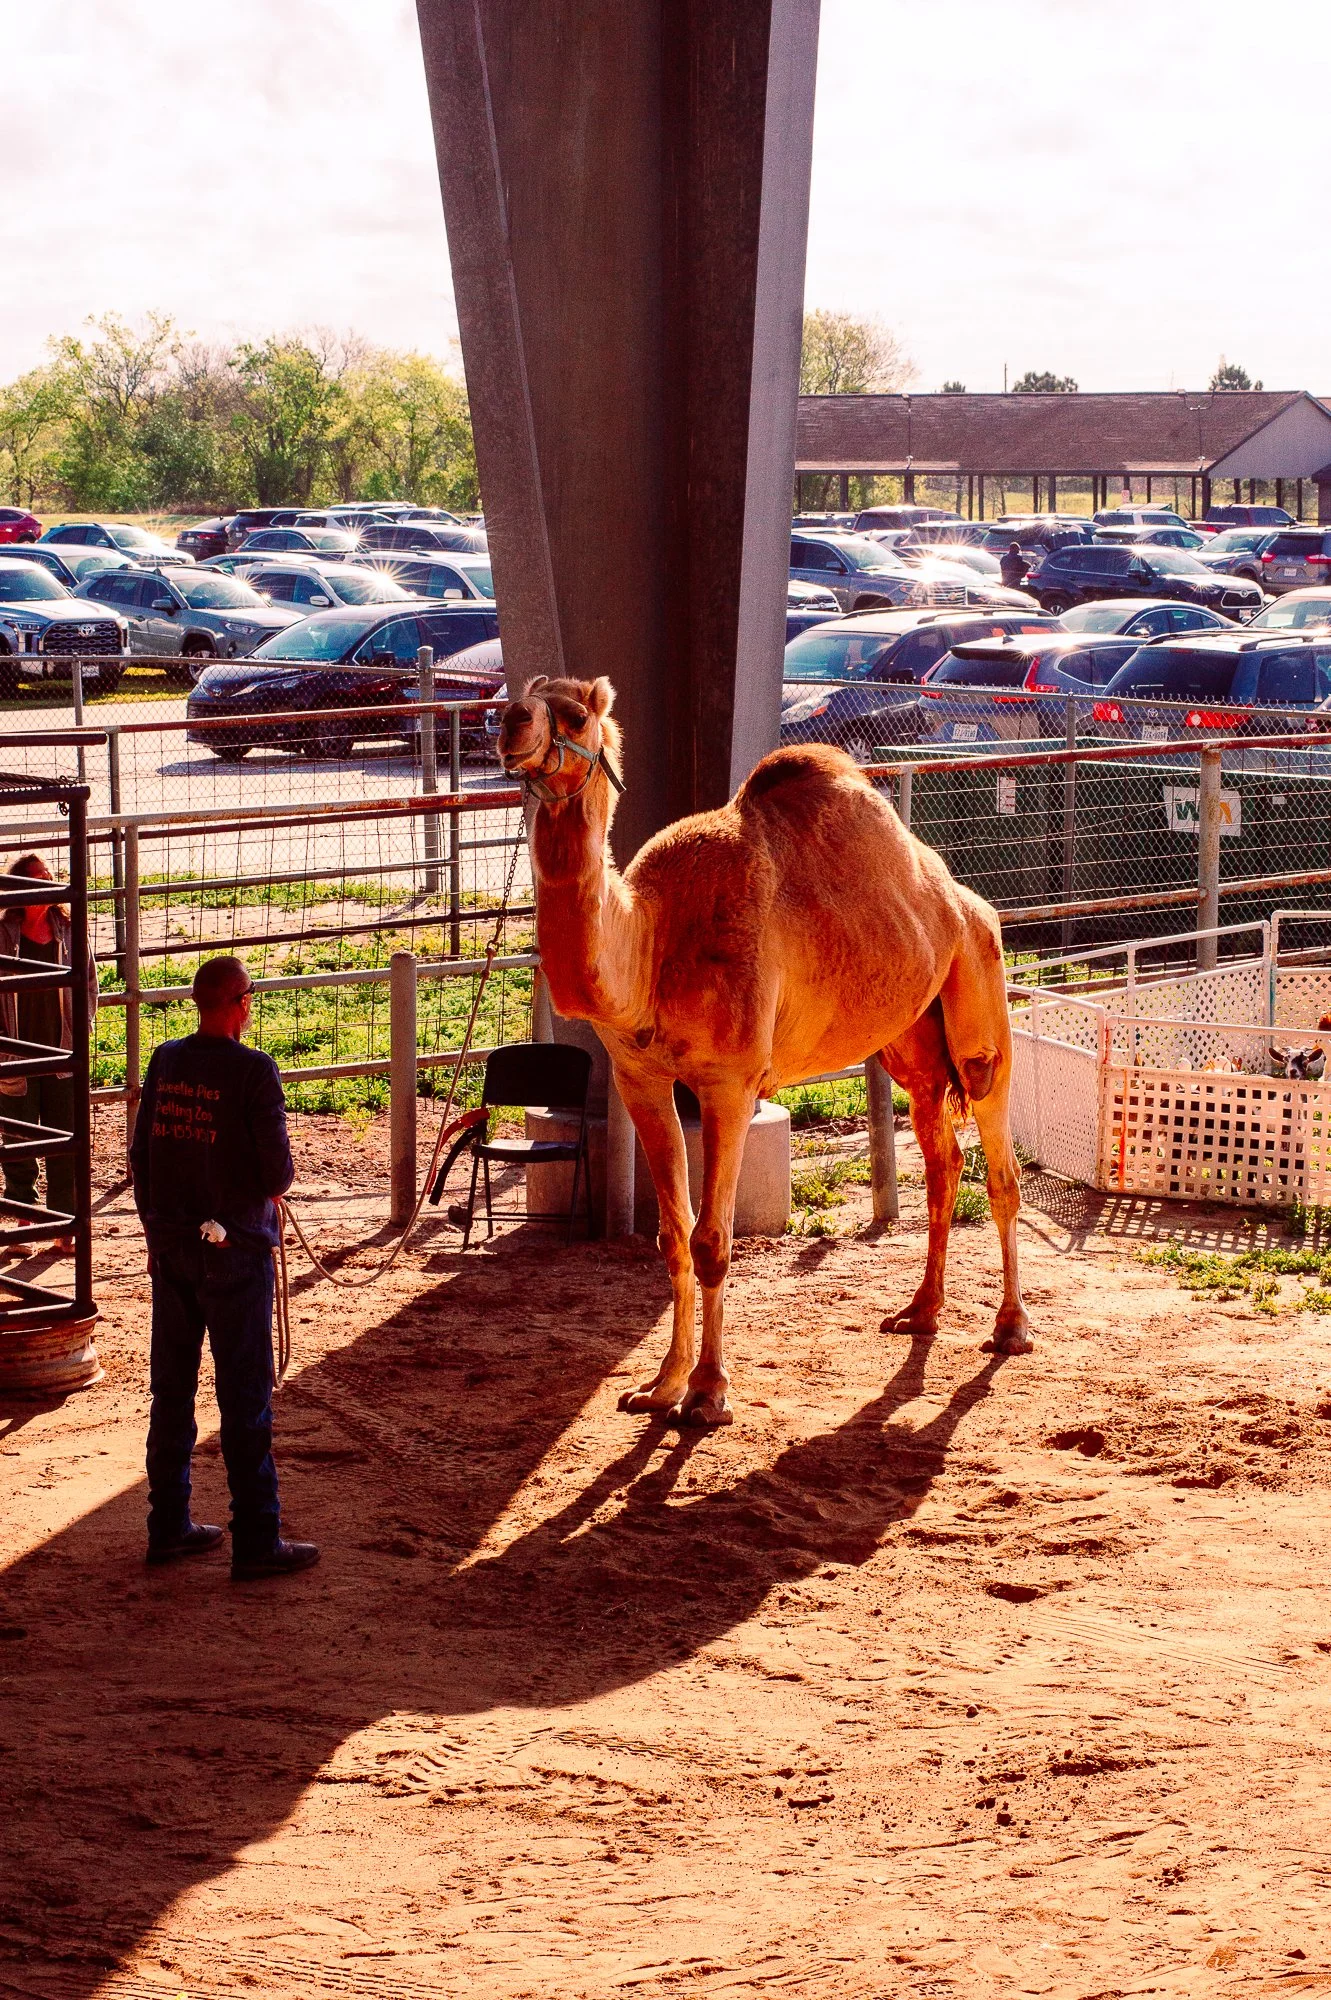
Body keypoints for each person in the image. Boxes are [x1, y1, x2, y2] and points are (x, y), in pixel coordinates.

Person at [130, 954, 318, 1580]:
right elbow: (277, 1174)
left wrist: (156, 1230)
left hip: (175, 1249)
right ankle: (257, 1539)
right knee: (244, 1400)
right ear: (239, 1003)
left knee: (172, 1393)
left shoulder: (166, 1061)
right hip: (234, 1253)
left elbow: (141, 1157)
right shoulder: (254, 1072)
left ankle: (168, 1525)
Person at [0, 851, 98, 1254]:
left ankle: (65, 1225)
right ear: (19, 891)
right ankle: (24, 1220)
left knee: (64, 1137)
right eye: (37, 877)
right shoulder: (2, 934)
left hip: (61, 1052)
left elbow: (88, 982)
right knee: (17, 1138)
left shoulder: (70, 929)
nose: (48, 882)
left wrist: (81, 1031)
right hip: (14, 1054)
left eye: (48, 875)